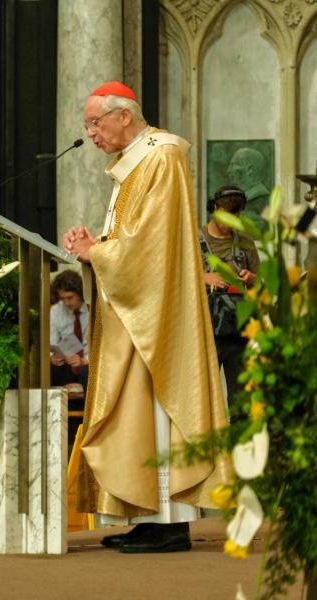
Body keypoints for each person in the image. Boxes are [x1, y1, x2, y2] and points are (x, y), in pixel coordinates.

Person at [62, 81, 231, 553]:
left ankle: (171, 521)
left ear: (123, 115)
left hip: (154, 312)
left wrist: (99, 252)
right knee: (135, 411)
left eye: (95, 122)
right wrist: (94, 249)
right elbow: (132, 235)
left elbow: (151, 244)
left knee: (154, 406)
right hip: (132, 307)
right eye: (88, 124)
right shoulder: (135, 161)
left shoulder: (161, 154)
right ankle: (149, 516)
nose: (91, 133)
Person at [200, 185, 259, 404]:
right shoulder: (194, 241)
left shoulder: (246, 244)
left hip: (238, 334)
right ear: (214, 208)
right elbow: (174, 280)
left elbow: (261, 289)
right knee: (202, 401)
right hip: (204, 334)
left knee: (241, 401)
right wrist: (202, 278)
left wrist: (252, 280)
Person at [49, 270, 89, 390]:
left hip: (88, 361)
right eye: (63, 299)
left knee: (86, 372)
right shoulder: (56, 311)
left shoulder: (91, 309)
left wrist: (83, 361)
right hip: (67, 362)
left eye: (70, 298)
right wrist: (53, 357)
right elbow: (52, 343)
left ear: (80, 294)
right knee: (54, 369)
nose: (66, 302)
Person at [226, 147, 270, 232]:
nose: (228, 170)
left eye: (233, 165)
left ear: (249, 170)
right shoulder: (242, 198)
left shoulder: (262, 200)